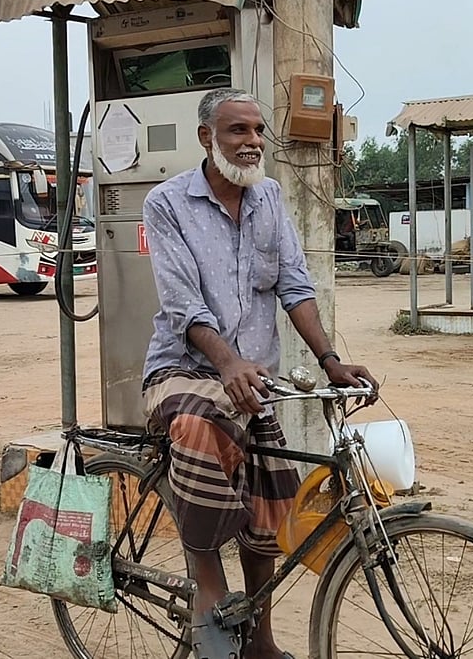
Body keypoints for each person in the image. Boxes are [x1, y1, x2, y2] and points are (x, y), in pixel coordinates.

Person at [140, 87, 379, 659]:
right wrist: (225, 363)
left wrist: (329, 360)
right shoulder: (167, 203)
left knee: (269, 505)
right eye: (237, 132)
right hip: (182, 370)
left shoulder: (269, 197)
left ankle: (262, 640)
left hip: (251, 381)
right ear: (207, 138)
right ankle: (209, 587)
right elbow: (182, 302)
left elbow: (295, 286)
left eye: (257, 131)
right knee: (201, 430)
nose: (252, 143)